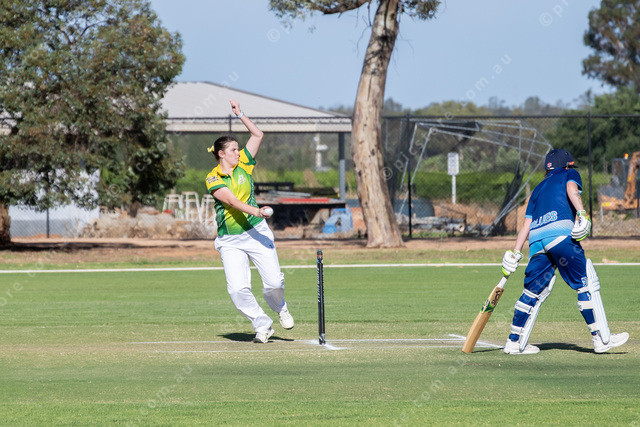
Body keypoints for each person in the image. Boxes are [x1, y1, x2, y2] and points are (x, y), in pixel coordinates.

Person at [501, 148, 629, 354]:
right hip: (560, 234)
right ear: (568, 165)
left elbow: (526, 224)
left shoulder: (538, 189)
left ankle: (513, 342)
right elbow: (571, 188)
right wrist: (582, 214)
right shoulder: (569, 174)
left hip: (537, 241)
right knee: (586, 283)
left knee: (531, 292)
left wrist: (515, 252)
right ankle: (601, 339)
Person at [205, 99, 294, 343]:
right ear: (221, 154)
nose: (238, 152)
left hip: (256, 232)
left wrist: (240, 114)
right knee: (237, 289)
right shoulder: (212, 178)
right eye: (233, 150)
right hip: (230, 240)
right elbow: (232, 201)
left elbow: (258, 134)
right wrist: (257, 211)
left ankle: (280, 307)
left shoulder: (244, 162)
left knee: (274, 283)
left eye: (238, 149)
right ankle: (262, 325)